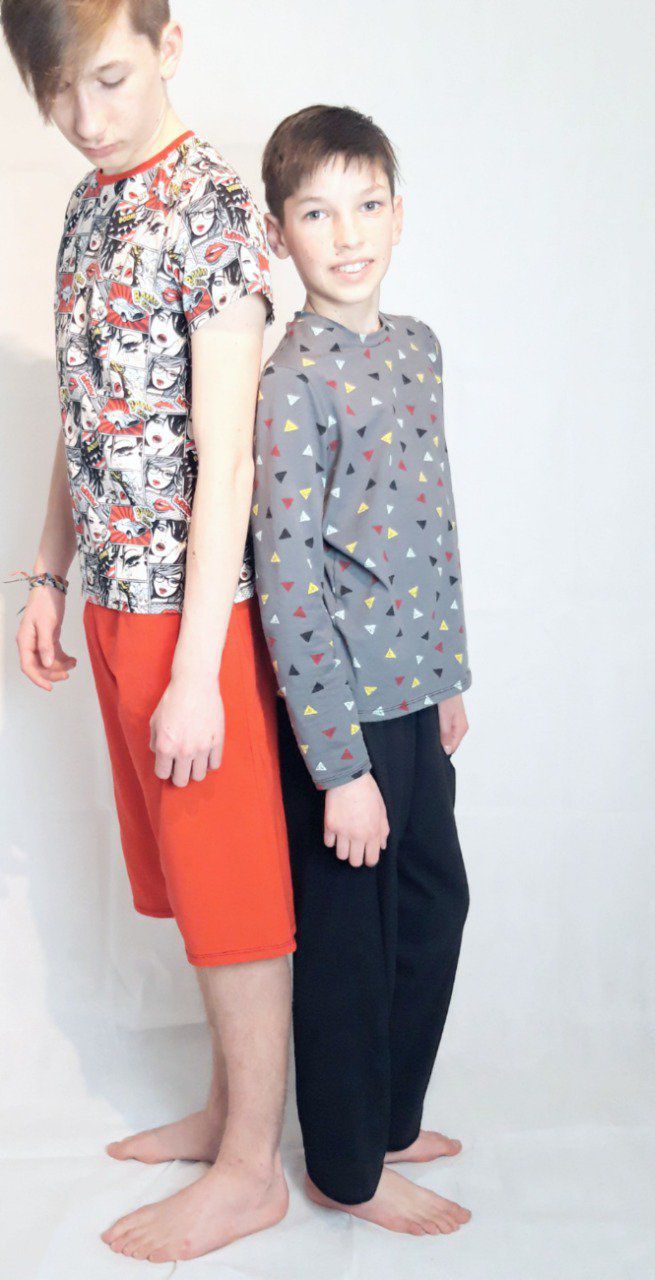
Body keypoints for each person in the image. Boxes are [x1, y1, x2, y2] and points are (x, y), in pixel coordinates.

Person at [2, 0, 294, 1263]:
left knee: (233, 887)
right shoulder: (89, 205)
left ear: (168, 50)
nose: (83, 117)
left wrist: (197, 672)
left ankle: (251, 1170)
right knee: (185, 878)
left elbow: (228, 463)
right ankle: (227, 1113)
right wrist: (48, 571)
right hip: (114, 600)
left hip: (199, 614)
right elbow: (86, 410)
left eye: (108, 79)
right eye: (57, 92)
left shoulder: (213, 210)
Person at [252, 104, 473, 1237]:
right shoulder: (291, 378)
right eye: (316, 212)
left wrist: (448, 675)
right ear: (279, 233)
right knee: (348, 942)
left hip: (415, 692)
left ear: (397, 211)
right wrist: (338, 766)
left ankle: (388, 1118)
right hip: (341, 711)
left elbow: (430, 519)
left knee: (434, 901)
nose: (347, 234)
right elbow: (286, 574)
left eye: (367, 204)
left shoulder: (417, 346)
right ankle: (347, 1168)